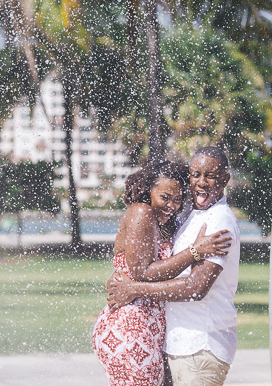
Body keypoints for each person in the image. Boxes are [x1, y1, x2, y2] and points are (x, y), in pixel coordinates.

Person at [107, 147, 240, 386]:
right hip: (155, 336)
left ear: (225, 179)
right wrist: (194, 252)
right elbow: (140, 269)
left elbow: (195, 288)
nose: (201, 182)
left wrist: (133, 289)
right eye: (195, 174)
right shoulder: (183, 215)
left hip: (200, 346)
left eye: (210, 176)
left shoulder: (218, 220)